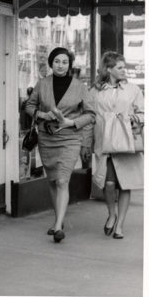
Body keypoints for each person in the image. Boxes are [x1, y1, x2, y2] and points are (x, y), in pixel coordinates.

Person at [25, 47, 95, 243]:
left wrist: (71, 123)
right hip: (47, 138)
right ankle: (59, 219)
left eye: (64, 62)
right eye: (57, 61)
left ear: (69, 65)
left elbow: (91, 115)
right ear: (51, 63)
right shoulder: (42, 84)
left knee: (63, 180)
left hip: (70, 138)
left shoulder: (80, 86)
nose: (61, 65)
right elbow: (29, 106)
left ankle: (57, 227)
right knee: (53, 180)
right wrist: (41, 114)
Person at [87, 51, 144, 240]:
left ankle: (120, 225)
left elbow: (144, 113)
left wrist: (134, 118)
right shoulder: (95, 91)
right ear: (108, 69)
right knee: (108, 183)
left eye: (123, 66)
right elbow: (90, 118)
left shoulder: (133, 90)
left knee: (125, 184)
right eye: (119, 67)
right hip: (105, 143)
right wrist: (86, 144)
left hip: (126, 142)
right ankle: (112, 213)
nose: (123, 70)